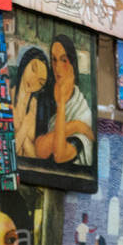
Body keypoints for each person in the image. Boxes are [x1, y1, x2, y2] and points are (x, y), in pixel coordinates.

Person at [34, 35, 94, 166]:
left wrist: (61, 103)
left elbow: (59, 155)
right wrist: (74, 126)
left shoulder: (80, 107)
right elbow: (40, 149)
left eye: (64, 60)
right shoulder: (44, 98)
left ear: (73, 64)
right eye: (54, 60)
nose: (57, 67)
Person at [11, 48, 53, 160]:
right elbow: (9, 153)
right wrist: (25, 125)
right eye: (33, 69)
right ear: (25, 63)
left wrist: (21, 128)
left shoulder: (38, 109)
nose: (34, 81)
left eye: (40, 82)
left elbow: (37, 158)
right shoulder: (6, 96)